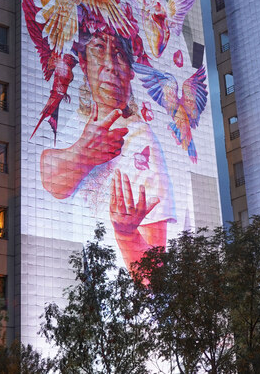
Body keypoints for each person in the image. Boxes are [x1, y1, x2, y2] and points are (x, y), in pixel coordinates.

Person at [39, 29, 174, 269]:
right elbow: (49, 180)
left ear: (130, 72)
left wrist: (126, 234)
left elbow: (153, 275)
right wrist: (83, 154)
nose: (110, 65)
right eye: (99, 48)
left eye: (119, 53)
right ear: (83, 62)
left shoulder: (141, 140)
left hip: (116, 299)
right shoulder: (73, 122)